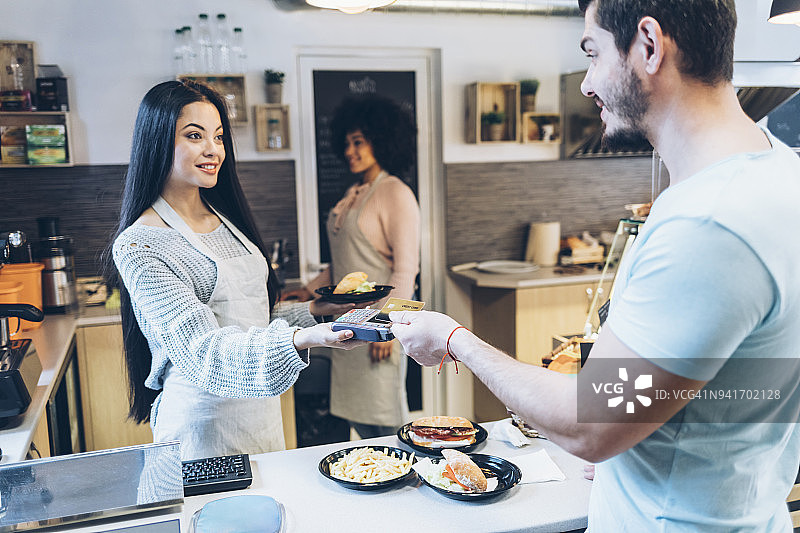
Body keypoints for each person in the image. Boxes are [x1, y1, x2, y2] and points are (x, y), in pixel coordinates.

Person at [389, 0, 800, 530]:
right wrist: (636, 450)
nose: (586, 84)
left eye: (593, 53)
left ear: (648, 46)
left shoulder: (709, 223)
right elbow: (742, 382)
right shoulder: (780, 171)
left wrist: (453, 339)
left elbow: (590, 422)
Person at [111, 80, 367, 460]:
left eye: (218, 136)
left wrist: (315, 313)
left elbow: (244, 317)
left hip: (259, 413)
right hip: (202, 428)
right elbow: (203, 352)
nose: (213, 149)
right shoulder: (141, 244)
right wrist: (305, 339)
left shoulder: (225, 220)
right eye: (195, 136)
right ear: (158, 140)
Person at [283, 95, 420, 438]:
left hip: (377, 328)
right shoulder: (354, 192)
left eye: (358, 142)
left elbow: (406, 271)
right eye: (346, 143)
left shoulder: (395, 192)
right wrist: (309, 289)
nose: (350, 151)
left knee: (384, 424)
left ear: (382, 141)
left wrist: (387, 327)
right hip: (347, 326)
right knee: (356, 419)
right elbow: (345, 264)